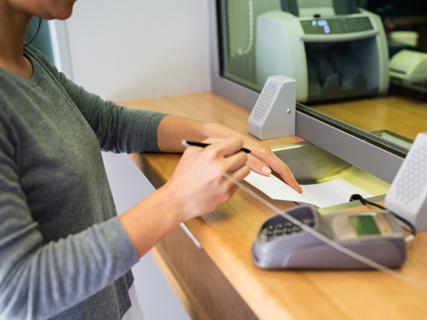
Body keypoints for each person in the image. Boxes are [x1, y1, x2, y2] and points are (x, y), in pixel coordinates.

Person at [0, 1, 302, 319]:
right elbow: (20, 290)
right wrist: (175, 200)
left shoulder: (29, 61)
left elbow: (110, 123)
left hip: (112, 302)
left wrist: (216, 134)